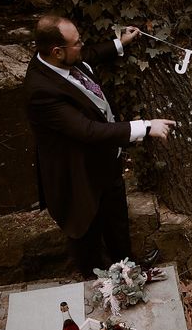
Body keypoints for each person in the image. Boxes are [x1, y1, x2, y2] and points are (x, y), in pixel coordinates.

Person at [24, 14, 176, 277]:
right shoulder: (40, 90)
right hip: (77, 176)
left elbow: (87, 56)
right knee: (88, 238)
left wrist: (119, 44)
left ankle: (129, 269)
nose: (82, 45)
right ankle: (99, 284)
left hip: (106, 162)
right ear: (57, 52)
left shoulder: (62, 60)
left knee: (117, 223)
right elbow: (87, 130)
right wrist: (146, 126)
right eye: (77, 43)